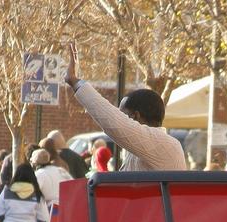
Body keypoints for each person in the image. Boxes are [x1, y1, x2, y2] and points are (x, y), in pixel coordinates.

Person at [65, 42, 186, 170]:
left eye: (123, 115)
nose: (121, 118)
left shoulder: (164, 144)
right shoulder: (145, 148)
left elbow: (114, 122)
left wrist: (75, 82)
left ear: (136, 116)